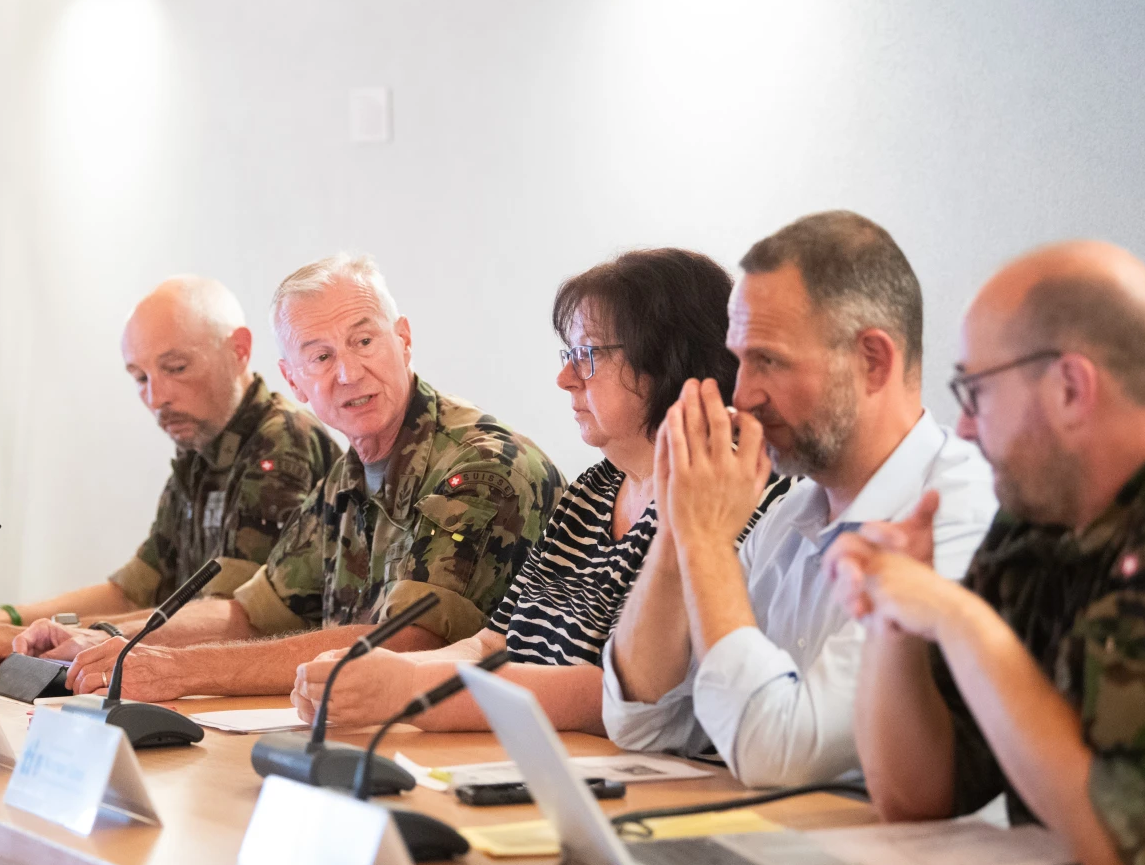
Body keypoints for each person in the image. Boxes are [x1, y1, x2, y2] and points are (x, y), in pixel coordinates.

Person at [286, 249, 793, 733]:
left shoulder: (730, 485)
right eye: (568, 354)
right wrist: (377, 670)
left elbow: (627, 698)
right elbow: (491, 644)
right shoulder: (596, 488)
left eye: (587, 355)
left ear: (666, 359)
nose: (565, 378)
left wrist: (410, 689)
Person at [16, 252, 564, 700]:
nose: (348, 372)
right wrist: (110, 640)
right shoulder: (347, 477)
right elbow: (249, 613)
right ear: (295, 381)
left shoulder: (481, 465)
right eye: (320, 356)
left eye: (364, 341)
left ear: (403, 340)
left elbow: (402, 642)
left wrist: (179, 670)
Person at [603, 210, 998, 787]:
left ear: (873, 361)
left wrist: (708, 542)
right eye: (739, 361)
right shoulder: (793, 513)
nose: (743, 394)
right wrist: (676, 530)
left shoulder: (956, 512)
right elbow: (644, 719)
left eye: (769, 361)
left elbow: (778, 755)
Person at [830, 241, 1145, 865]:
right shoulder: (1032, 521)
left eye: (976, 390)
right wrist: (893, 620)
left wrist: (960, 620)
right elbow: (915, 801)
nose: (967, 427)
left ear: (1069, 387)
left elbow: (1130, 853)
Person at [0, 275, 336, 664]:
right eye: (139, 377)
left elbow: (232, 616)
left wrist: (71, 637)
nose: (157, 398)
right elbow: (132, 589)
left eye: (175, 368)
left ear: (239, 350)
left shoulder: (280, 442)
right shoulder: (198, 453)